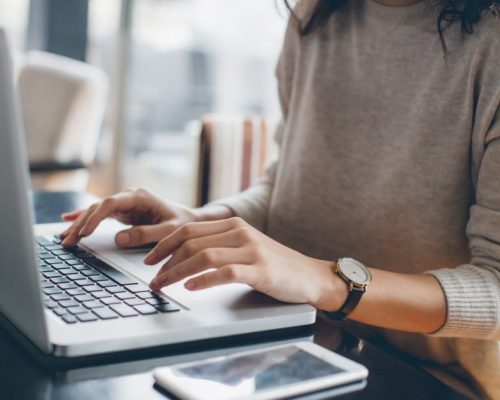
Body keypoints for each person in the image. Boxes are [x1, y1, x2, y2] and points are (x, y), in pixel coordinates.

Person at [61, 0, 500, 397]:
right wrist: (203, 221)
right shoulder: (315, 14)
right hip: (287, 340)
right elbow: (286, 185)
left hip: (422, 379)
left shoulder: (490, 44)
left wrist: (328, 281)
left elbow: (495, 289)